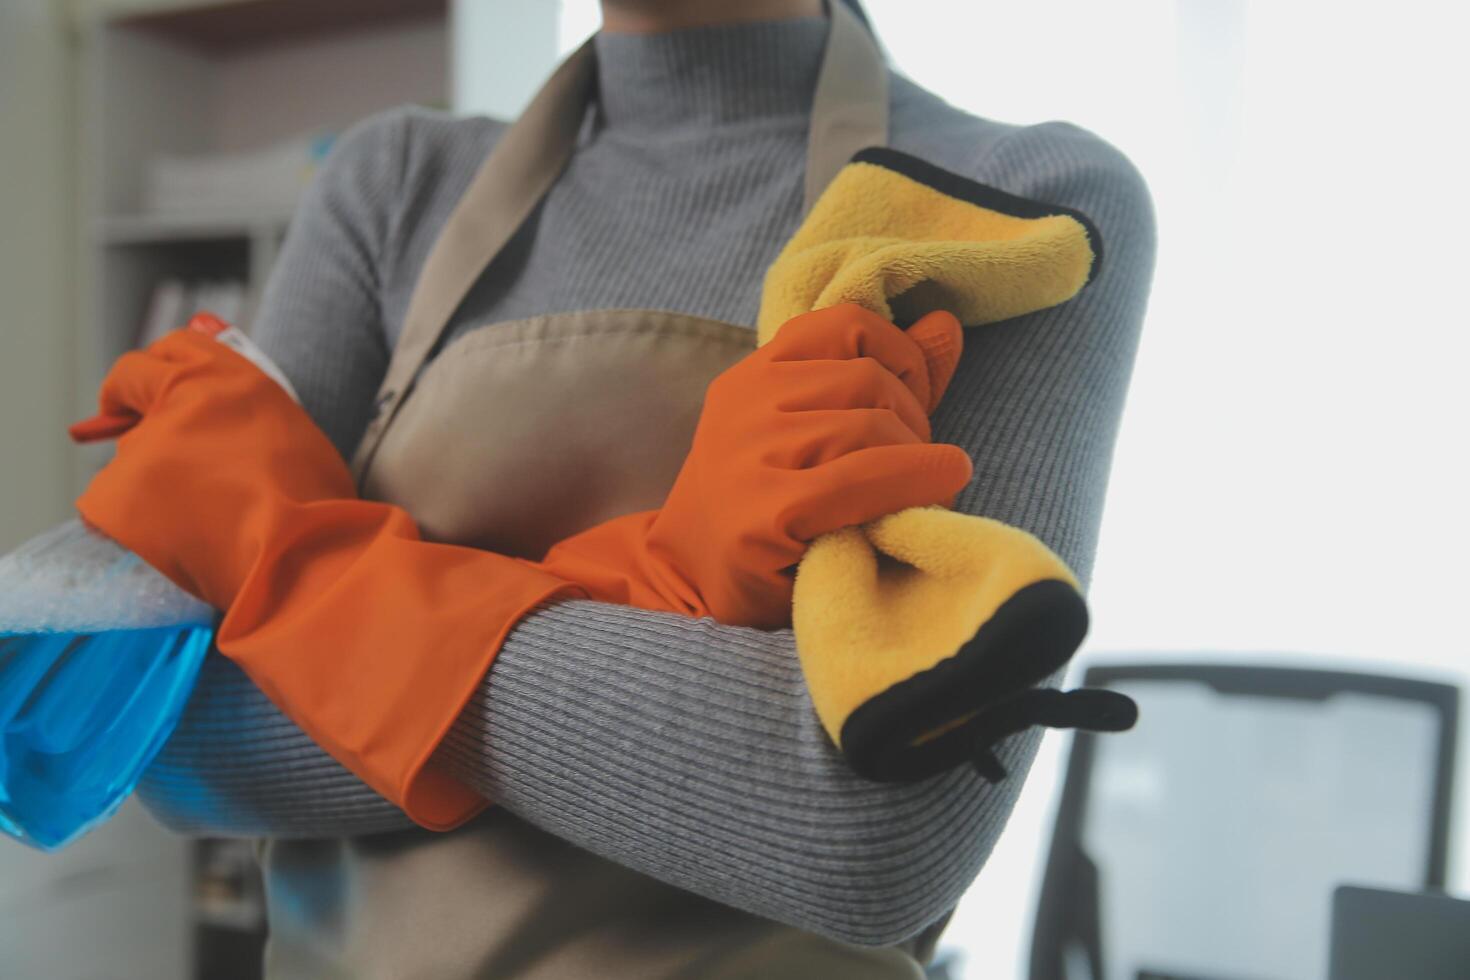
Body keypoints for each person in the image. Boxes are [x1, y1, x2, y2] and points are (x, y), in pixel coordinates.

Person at [128, 0, 1157, 976]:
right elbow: (163, 731)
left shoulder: (1005, 203)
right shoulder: (393, 185)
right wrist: (666, 577)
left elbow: (864, 833)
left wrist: (298, 596)